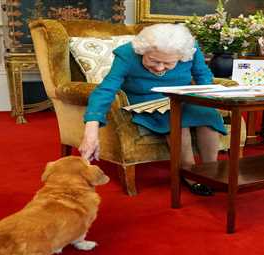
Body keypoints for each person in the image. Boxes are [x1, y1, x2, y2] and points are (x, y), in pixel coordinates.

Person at [78, 23, 227, 196]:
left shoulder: (190, 50)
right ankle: (189, 172)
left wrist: (206, 96)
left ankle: (210, 170)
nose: (159, 68)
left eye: (168, 63)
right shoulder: (127, 54)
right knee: (178, 122)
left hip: (182, 97)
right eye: (153, 60)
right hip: (145, 101)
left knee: (208, 115)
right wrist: (91, 127)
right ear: (143, 50)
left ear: (181, 56)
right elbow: (106, 89)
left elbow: (203, 75)